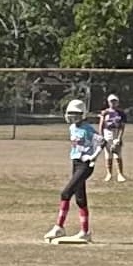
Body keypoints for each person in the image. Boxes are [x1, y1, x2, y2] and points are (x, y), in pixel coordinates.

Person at [44, 99, 100, 243]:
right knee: (80, 198)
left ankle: (59, 226)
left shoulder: (87, 129)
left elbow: (102, 142)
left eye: (76, 114)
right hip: (75, 163)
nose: (73, 117)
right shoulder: (72, 128)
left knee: (66, 193)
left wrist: (92, 157)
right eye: (71, 114)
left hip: (85, 165)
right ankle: (85, 231)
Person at [98, 93, 127, 182]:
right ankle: (109, 174)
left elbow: (122, 127)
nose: (113, 103)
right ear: (108, 102)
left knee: (117, 154)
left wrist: (119, 138)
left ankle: (120, 174)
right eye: (111, 101)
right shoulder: (105, 113)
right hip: (107, 133)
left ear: (117, 102)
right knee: (108, 155)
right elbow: (101, 125)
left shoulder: (121, 113)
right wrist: (101, 137)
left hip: (116, 132)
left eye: (115, 101)